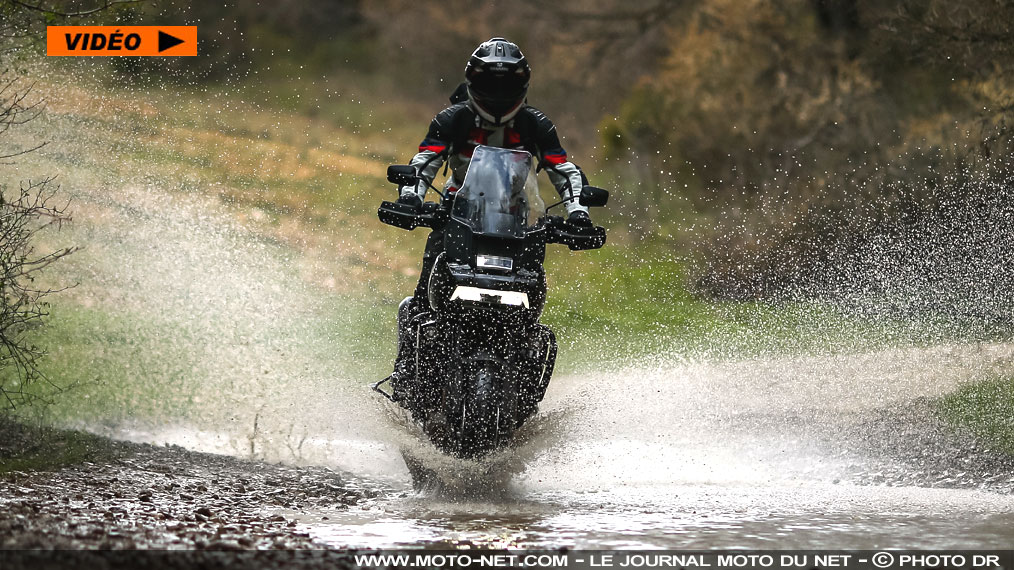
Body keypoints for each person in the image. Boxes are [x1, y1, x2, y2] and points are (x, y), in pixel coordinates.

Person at [387, 37, 594, 392]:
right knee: (425, 294)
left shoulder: (536, 125)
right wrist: (410, 198)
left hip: (517, 223)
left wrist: (578, 214)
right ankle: (408, 371)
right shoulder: (453, 119)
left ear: (522, 84)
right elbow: (424, 161)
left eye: (507, 83)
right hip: (456, 216)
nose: (498, 92)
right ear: (472, 81)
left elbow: (563, 170)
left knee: (531, 296)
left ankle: (526, 365)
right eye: (490, 82)